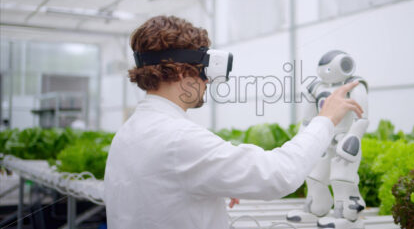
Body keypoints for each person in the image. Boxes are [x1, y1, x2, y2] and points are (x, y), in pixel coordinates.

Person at [104, 16, 363, 229]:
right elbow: (279, 175)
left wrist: (214, 181)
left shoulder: (129, 133)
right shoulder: (178, 138)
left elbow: (159, 193)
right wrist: (326, 119)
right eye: (204, 70)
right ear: (182, 71)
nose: (207, 81)